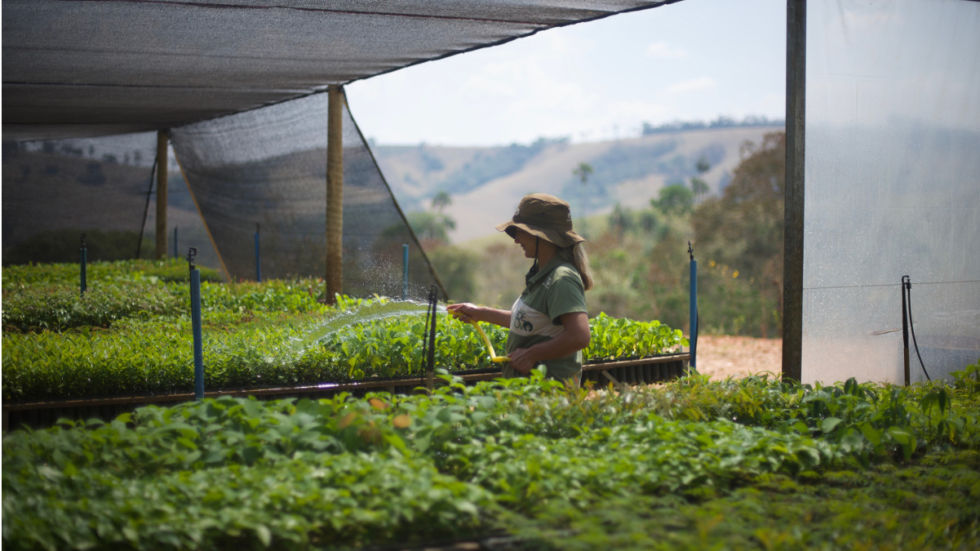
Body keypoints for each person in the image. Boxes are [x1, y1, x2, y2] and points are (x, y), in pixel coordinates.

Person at [448, 193, 593, 385]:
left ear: (540, 236)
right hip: (529, 394)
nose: (516, 240)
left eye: (520, 232)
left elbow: (579, 336)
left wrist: (532, 354)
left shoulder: (561, 278)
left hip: (550, 396)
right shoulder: (541, 275)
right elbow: (527, 322)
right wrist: (479, 313)